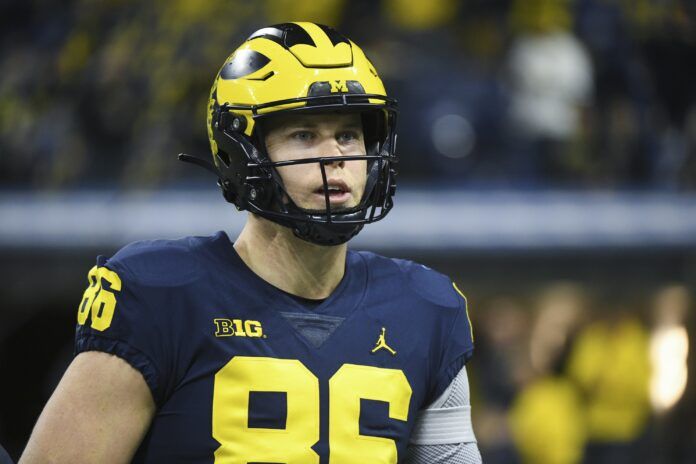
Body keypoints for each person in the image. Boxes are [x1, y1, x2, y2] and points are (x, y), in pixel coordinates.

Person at [20, 22, 481, 463]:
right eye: (304, 135)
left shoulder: (425, 308)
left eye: (348, 134)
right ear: (242, 154)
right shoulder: (160, 295)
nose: (336, 158)